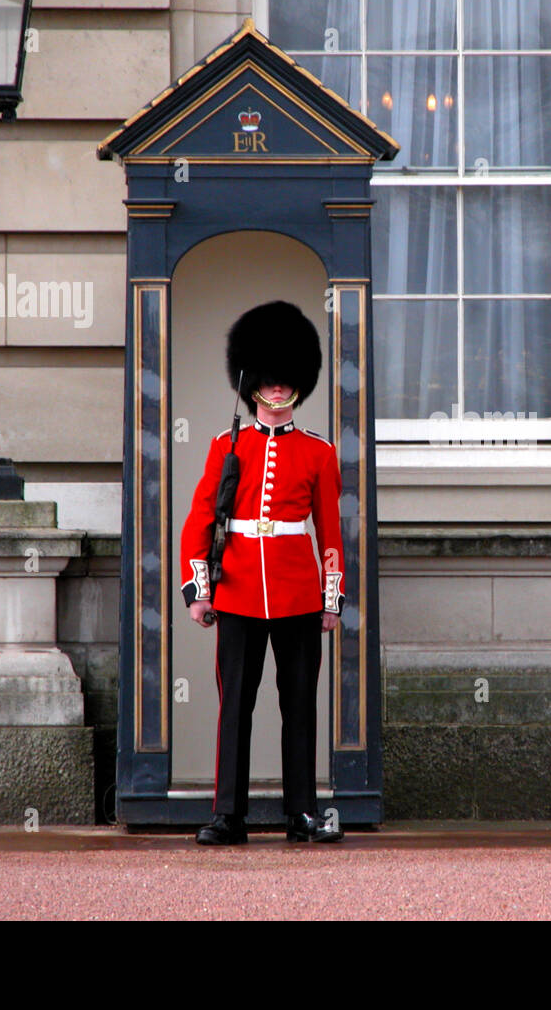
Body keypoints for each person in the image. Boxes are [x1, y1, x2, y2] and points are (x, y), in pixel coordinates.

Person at [180, 300, 345, 846]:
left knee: (299, 705)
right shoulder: (226, 446)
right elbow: (200, 522)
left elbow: (329, 532)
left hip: (299, 594)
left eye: (284, 383)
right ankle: (229, 815)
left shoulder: (319, 453)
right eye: (268, 382)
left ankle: (302, 814)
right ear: (253, 386)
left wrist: (331, 599)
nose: (276, 391)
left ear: (297, 386)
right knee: (237, 709)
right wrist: (198, 591)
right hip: (239, 591)